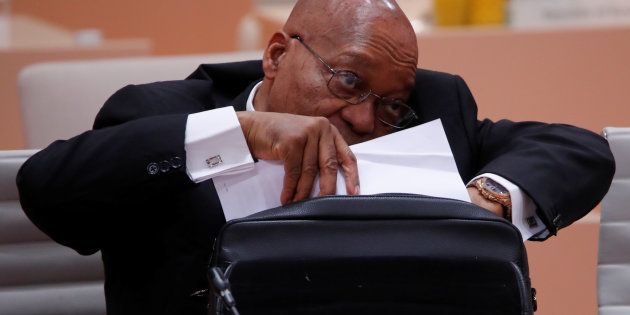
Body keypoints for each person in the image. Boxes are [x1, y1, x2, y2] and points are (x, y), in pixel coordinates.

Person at [17, 0, 614, 314]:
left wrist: (486, 198)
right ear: (277, 54)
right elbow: (49, 190)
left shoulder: (429, 106)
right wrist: (240, 133)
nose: (362, 118)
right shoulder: (162, 114)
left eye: (388, 103)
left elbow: (573, 148)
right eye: (348, 82)